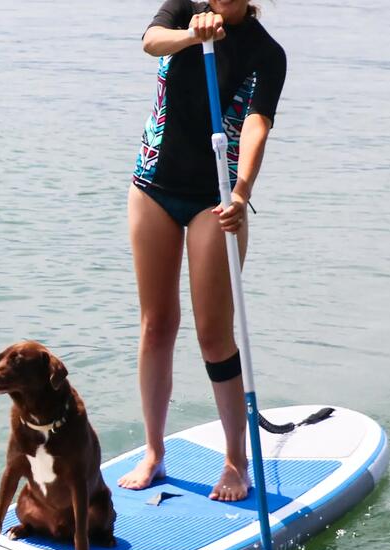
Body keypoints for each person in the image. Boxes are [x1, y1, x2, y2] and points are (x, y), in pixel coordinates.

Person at [118, 0, 287, 501]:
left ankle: (236, 461)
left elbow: (257, 125)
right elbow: (150, 43)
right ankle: (153, 450)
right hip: (153, 183)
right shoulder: (182, 10)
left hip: (216, 198)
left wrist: (242, 193)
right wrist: (195, 35)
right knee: (156, 324)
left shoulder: (266, 52)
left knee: (213, 335)